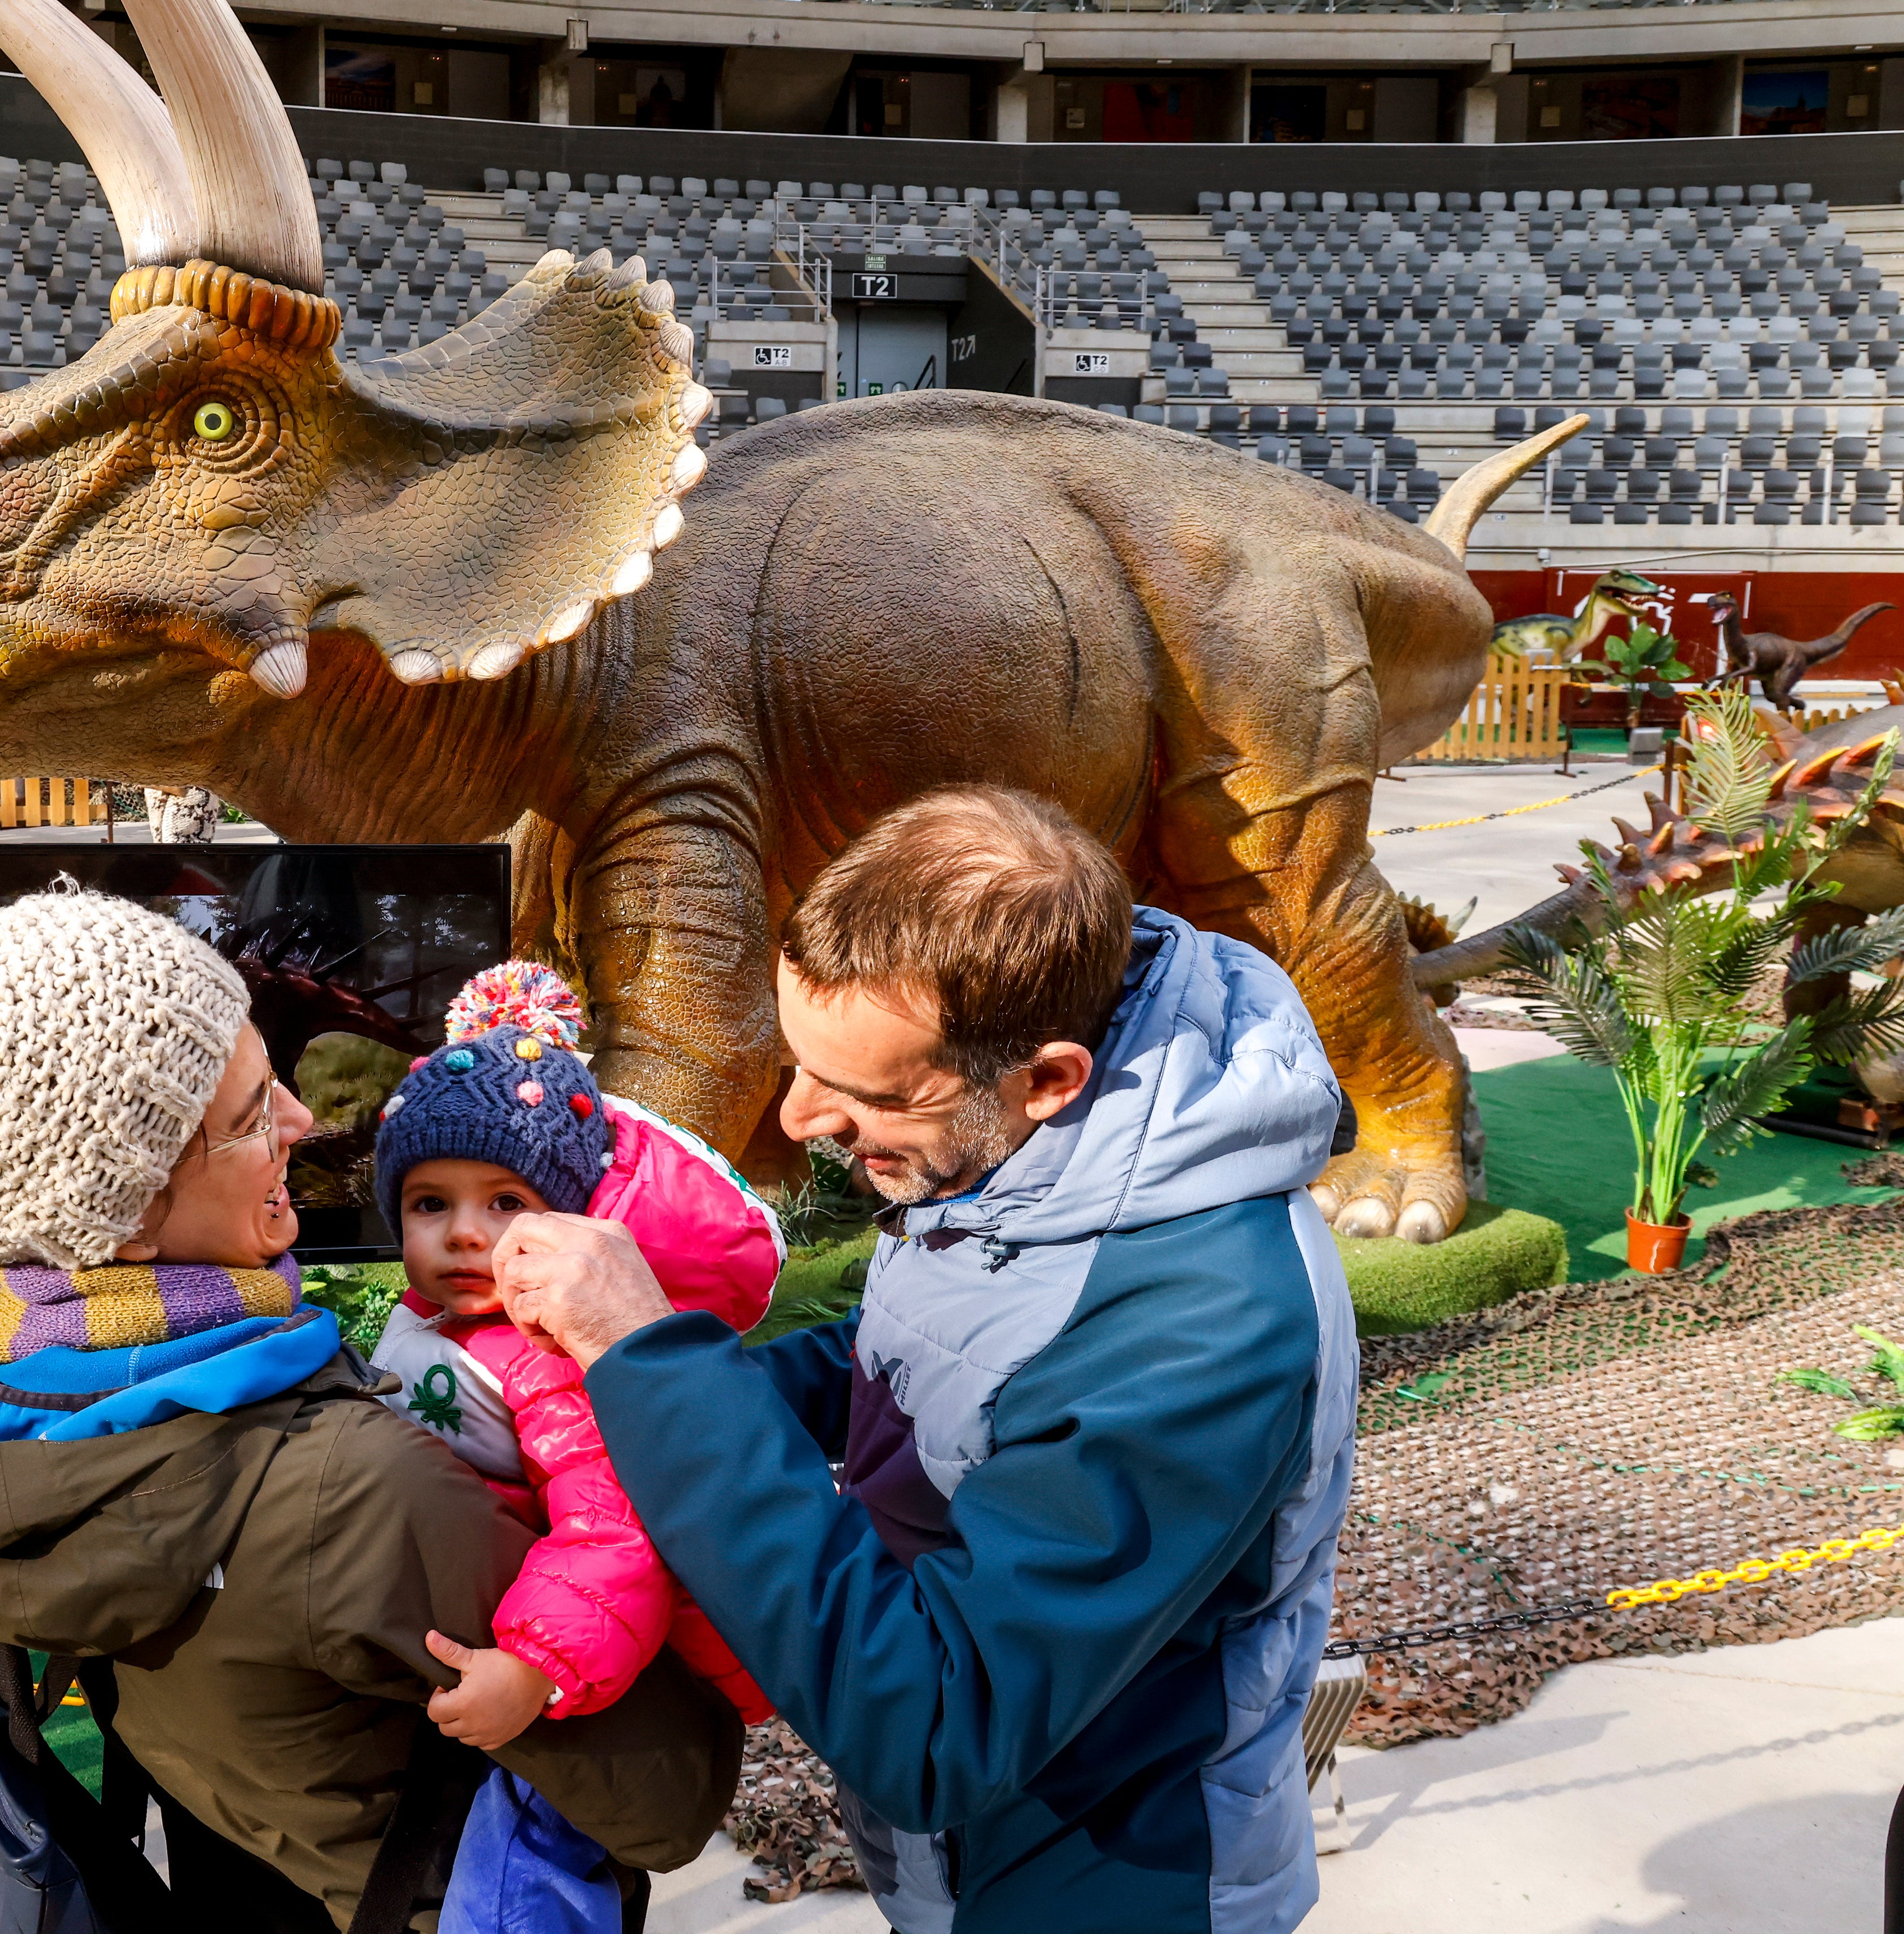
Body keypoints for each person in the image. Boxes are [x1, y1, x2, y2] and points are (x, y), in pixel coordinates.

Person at [0, 889, 740, 1932]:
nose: (300, 1118)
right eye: (248, 1117)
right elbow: (668, 1795)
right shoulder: (352, 1486)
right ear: (132, 1213)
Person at [494, 786, 1359, 1934]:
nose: (799, 1115)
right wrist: (604, 1405)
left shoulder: (1213, 1327)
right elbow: (928, 1353)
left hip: (1106, 1883)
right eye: (799, 1060)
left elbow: (938, 1727)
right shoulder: (1031, 1155)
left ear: (1047, 1078)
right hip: (967, 1871)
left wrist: (652, 1360)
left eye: (859, 1091)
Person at [364, 961, 781, 1933]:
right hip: (501, 1626)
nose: (466, 1235)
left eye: (504, 1203)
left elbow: (613, 1528)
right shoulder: (444, 1325)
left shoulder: (550, 1354)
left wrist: (536, 1666)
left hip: (579, 1665)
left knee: (527, 1865)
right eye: (430, 1204)